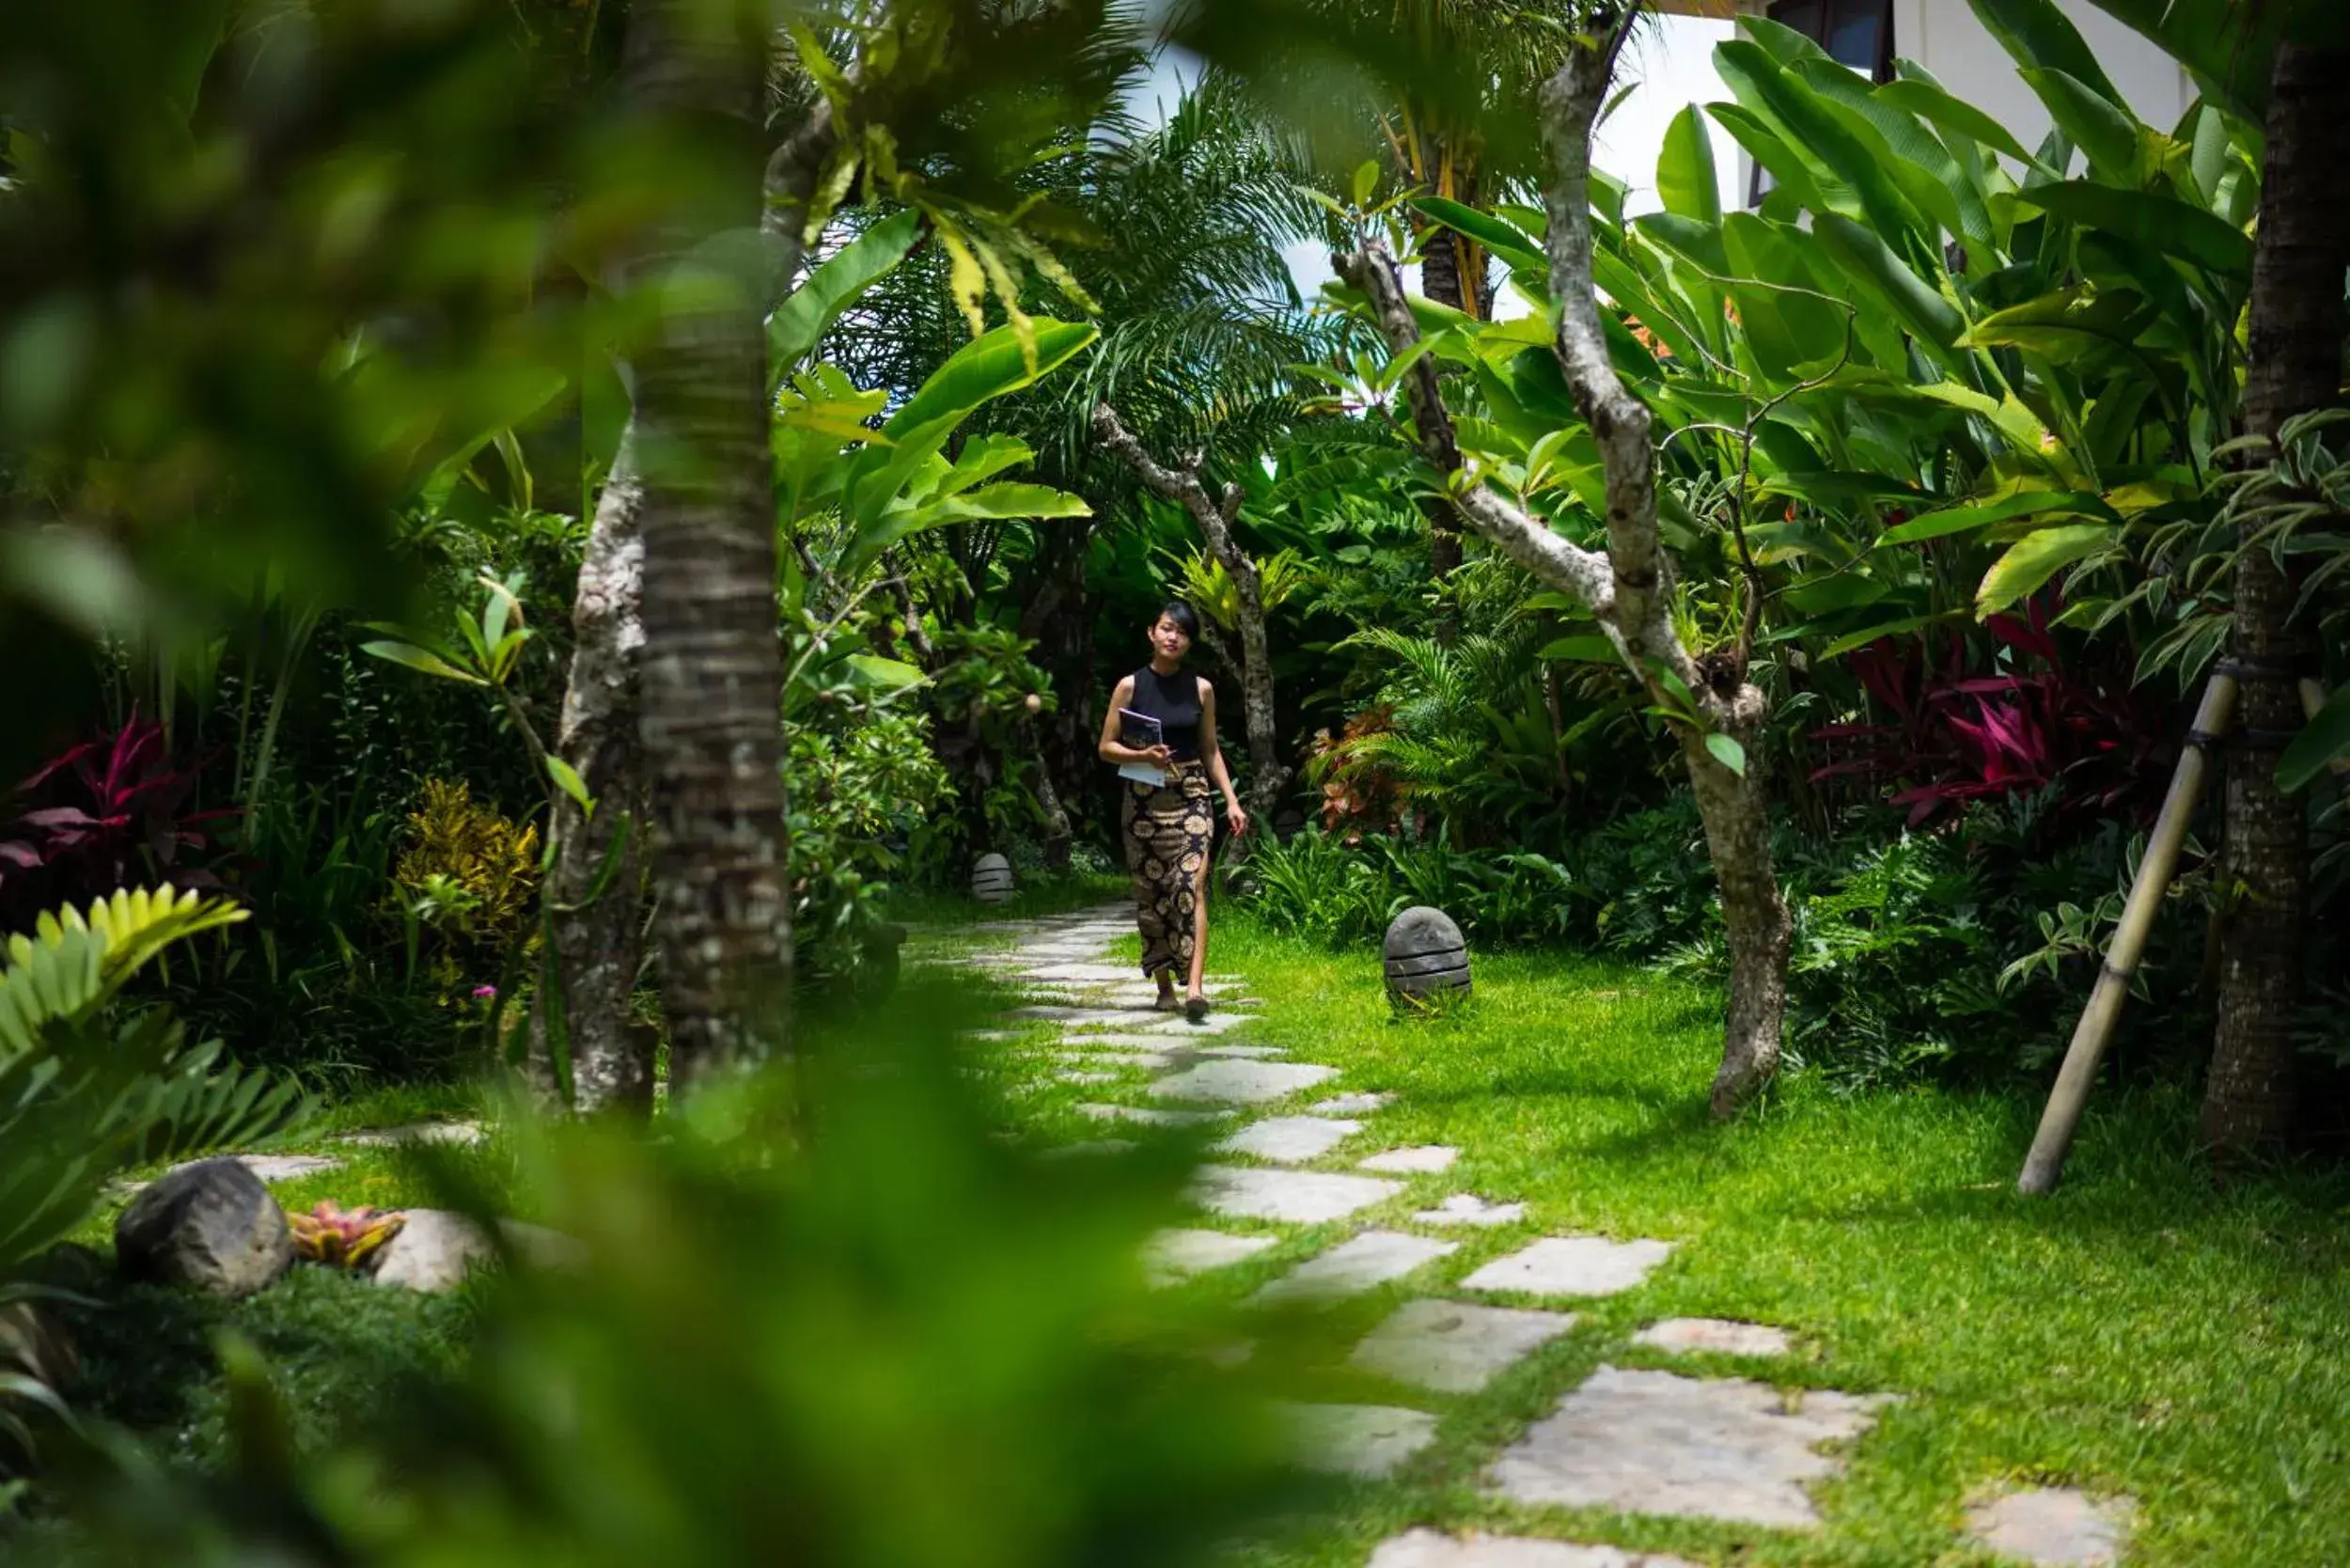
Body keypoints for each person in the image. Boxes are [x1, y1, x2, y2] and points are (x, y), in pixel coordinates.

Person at [1097, 601, 1249, 1020]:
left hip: (1192, 794)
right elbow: (1106, 747)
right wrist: (1144, 755)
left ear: (1188, 642)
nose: (1172, 637)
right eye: (1166, 628)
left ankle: (1196, 988)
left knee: (1192, 886)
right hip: (1144, 800)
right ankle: (1164, 985)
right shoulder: (1130, 686)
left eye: (1181, 632)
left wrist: (1231, 801)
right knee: (1153, 893)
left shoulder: (1201, 689)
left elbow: (1210, 749)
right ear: (1152, 632)